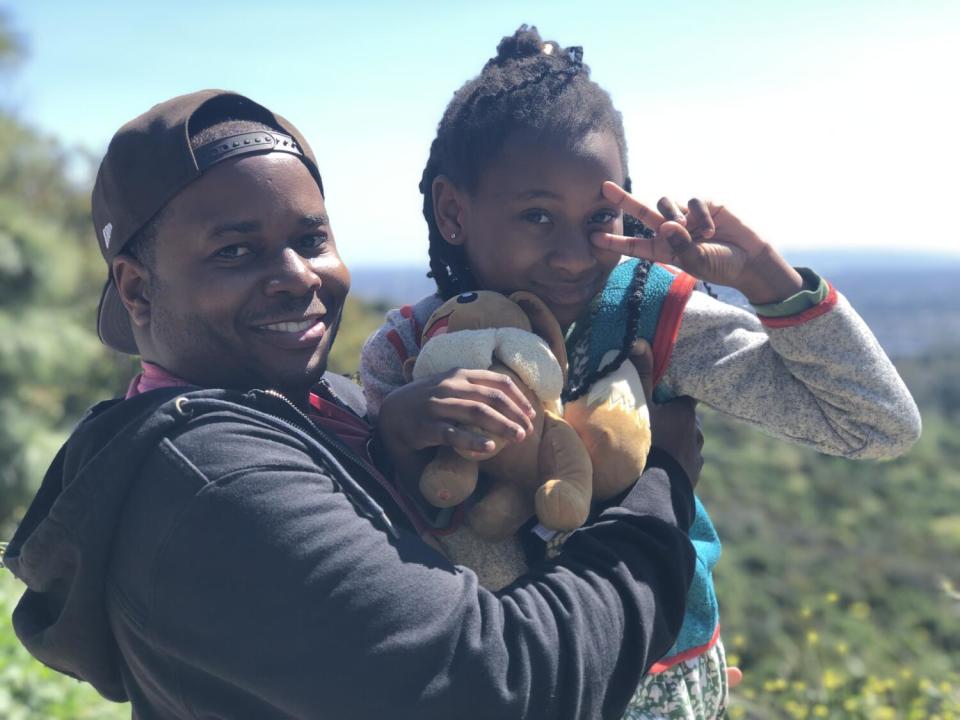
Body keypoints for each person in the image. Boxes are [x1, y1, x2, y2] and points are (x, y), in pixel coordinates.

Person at [1, 89, 705, 720]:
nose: (296, 278)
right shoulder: (213, 482)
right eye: (235, 251)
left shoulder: (323, 404)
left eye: (310, 239)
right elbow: (496, 687)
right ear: (136, 289)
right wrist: (659, 493)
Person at [359, 26, 923, 720]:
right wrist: (399, 423)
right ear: (453, 211)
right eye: (536, 215)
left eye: (598, 216)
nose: (572, 254)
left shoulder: (654, 318)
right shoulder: (410, 350)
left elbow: (876, 424)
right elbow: (372, 532)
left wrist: (770, 282)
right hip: (501, 684)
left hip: (656, 681)